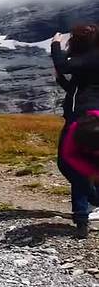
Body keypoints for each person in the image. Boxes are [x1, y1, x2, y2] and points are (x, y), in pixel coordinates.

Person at [51, 26, 99, 238]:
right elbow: (78, 88)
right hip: (84, 117)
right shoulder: (90, 62)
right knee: (84, 164)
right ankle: (86, 211)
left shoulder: (93, 56)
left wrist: (55, 44)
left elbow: (62, 63)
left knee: (70, 162)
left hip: (84, 120)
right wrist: (60, 79)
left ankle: (83, 216)